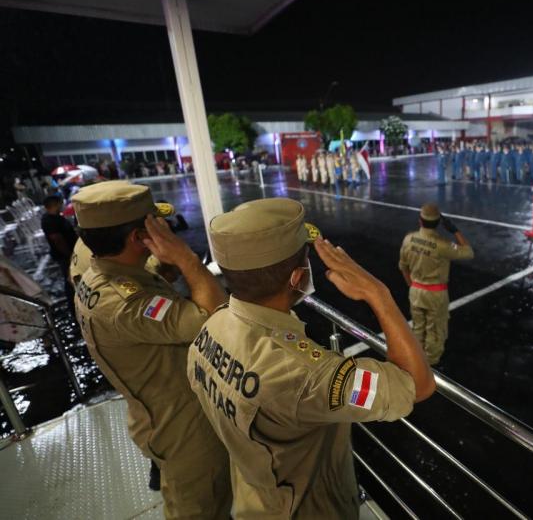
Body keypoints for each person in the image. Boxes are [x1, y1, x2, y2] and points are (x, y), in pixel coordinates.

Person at [188, 198, 435, 518]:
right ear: (296, 277)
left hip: (255, 500)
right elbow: (417, 385)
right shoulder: (303, 374)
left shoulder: (211, 328)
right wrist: (378, 293)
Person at [70, 181, 233, 519]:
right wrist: (187, 259)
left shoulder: (98, 274)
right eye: (154, 223)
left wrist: (162, 271)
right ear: (137, 237)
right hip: (183, 427)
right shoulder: (122, 302)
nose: (163, 227)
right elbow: (212, 315)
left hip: (158, 411)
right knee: (200, 508)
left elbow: (138, 293)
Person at [399, 203, 474, 365]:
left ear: (420, 220)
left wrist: (412, 286)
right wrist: (455, 231)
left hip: (416, 290)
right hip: (435, 294)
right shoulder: (443, 245)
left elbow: (403, 267)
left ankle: (416, 362)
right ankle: (430, 366)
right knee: (435, 332)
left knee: (418, 328)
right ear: (439, 223)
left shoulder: (408, 239)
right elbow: (468, 252)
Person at [41, 195, 78, 315]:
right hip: (64, 256)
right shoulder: (49, 221)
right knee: (70, 281)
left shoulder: (56, 217)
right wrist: (69, 255)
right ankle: (74, 307)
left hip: (67, 254)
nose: (62, 205)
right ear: (55, 204)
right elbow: (57, 240)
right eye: (60, 203)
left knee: (71, 279)